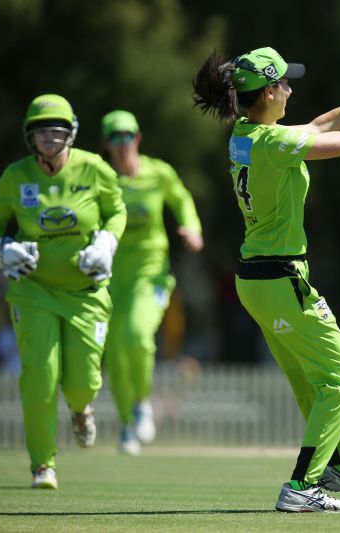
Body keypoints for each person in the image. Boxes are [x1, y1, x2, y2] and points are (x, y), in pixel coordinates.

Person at [192, 41, 340, 512]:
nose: (290, 87)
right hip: (281, 279)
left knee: (312, 385)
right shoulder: (272, 142)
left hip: (257, 280)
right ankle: (302, 486)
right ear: (269, 92)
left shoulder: (246, 135)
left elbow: (317, 127)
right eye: (285, 81)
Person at [0, 94, 126, 489]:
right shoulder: (16, 177)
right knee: (41, 376)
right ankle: (43, 465)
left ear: (71, 135)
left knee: (80, 384)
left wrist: (105, 244)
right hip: (33, 291)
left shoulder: (94, 169)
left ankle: (81, 410)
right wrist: (3, 249)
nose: (50, 140)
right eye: (42, 132)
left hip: (86, 292)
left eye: (57, 133)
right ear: (31, 137)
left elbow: (117, 210)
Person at [100, 110, 204, 455]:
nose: (122, 143)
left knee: (138, 337)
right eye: (115, 137)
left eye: (127, 135)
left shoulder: (158, 172)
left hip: (151, 272)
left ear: (138, 138)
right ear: (107, 144)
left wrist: (193, 229)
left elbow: (181, 199)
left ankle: (141, 404)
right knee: (115, 356)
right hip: (111, 278)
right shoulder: (102, 179)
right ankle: (128, 422)